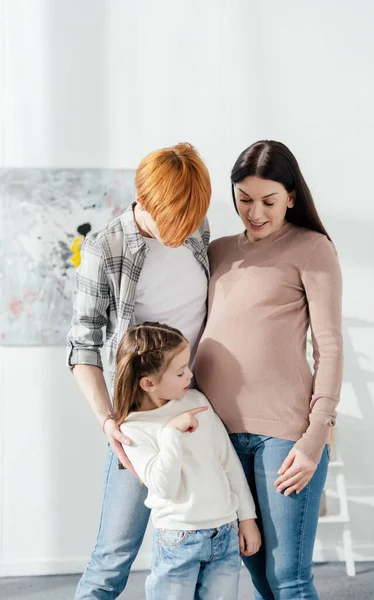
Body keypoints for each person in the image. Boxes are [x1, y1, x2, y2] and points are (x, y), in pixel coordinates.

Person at [195, 140, 343, 600]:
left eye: (268, 201)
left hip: (285, 436)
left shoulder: (312, 248)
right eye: (244, 199)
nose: (254, 212)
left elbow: (330, 346)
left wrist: (315, 437)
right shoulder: (217, 251)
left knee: (289, 579)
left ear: (292, 197)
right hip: (218, 435)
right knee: (257, 575)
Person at [67, 143, 211, 599]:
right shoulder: (106, 246)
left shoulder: (195, 228)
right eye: (174, 222)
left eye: (190, 222)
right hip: (143, 417)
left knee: (209, 539)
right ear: (144, 201)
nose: (182, 232)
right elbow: (82, 344)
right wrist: (109, 419)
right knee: (115, 555)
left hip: (200, 401)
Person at [115, 321, 261, 600]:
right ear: (148, 383)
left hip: (224, 533)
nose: (190, 375)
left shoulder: (196, 400)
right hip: (178, 539)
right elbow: (163, 487)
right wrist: (171, 433)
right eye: (181, 371)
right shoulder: (133, 429)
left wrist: (247, 518)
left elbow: (228, 462)